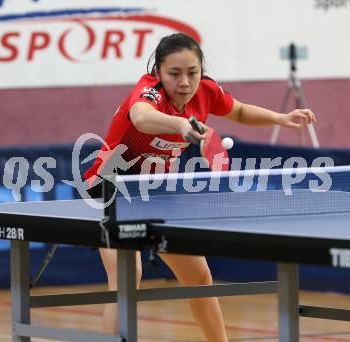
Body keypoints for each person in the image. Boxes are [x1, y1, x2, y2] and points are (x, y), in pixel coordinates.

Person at [84, 33, 315, 341]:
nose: (185, 82)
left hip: (156, 191)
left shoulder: (205, 91)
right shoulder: (148, 93)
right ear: (159, 73)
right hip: (111, 187)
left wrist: (281, 118)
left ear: (201, 70)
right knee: (126, 275)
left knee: (199, 277)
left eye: (192, 72)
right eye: (174, 74)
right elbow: (140, 118)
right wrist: (181, 124)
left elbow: (240, 111)